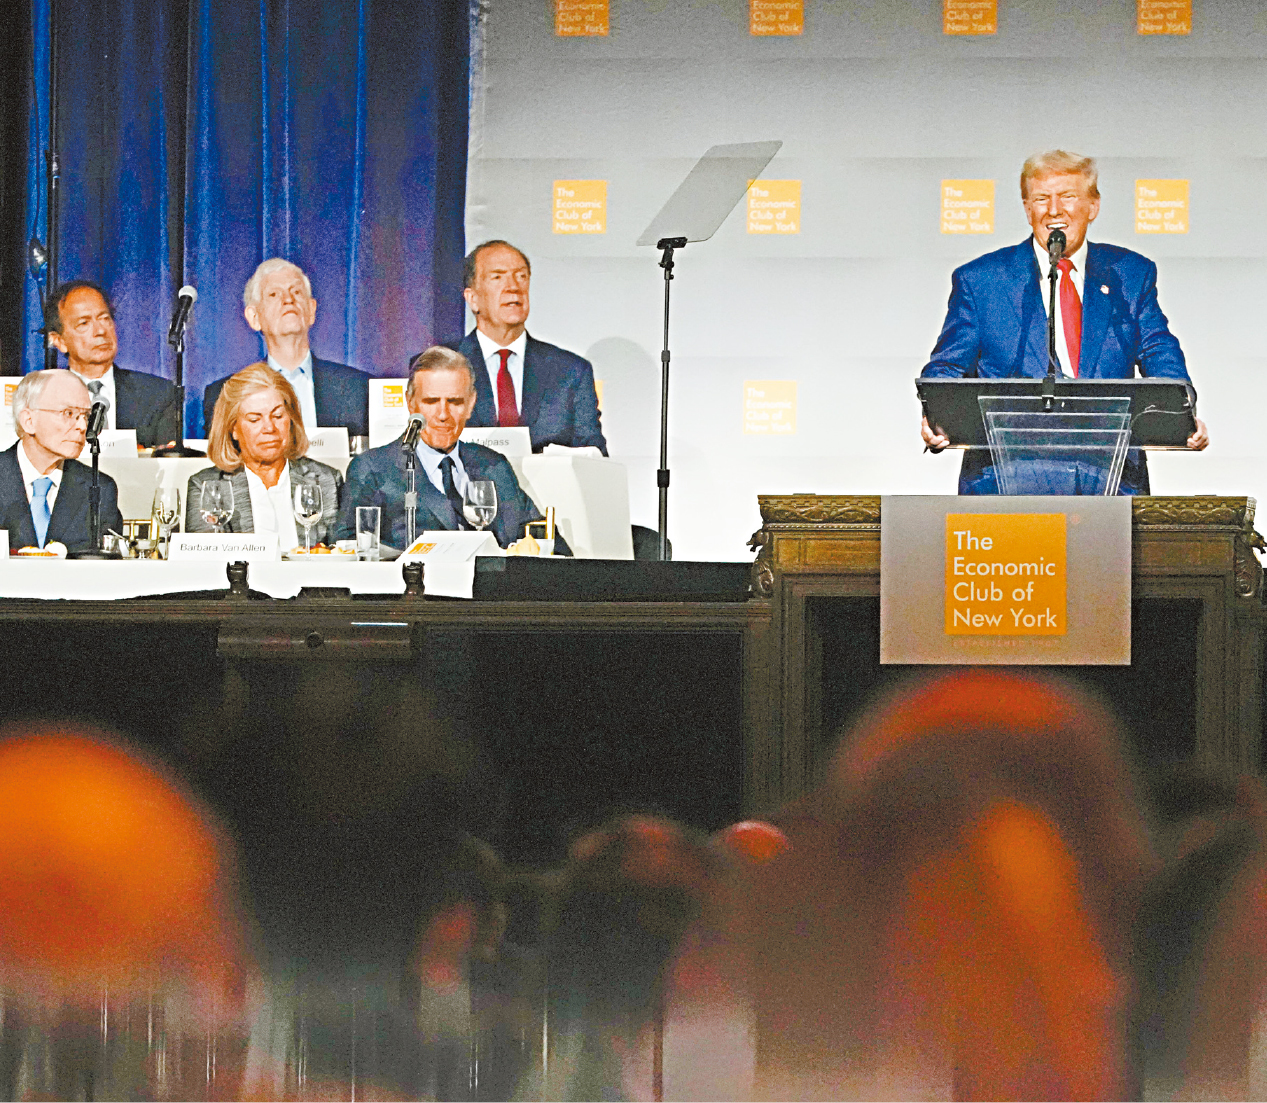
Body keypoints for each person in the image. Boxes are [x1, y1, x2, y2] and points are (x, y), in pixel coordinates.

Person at [920, 150, 1209, 495]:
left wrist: (1182, 411)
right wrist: (937, 416)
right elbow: (947, 368)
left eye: (1068, 196)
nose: (1054, 210)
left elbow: (1159, 351)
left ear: (1093, 206)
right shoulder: (982, 280)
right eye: (1042, 198)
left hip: (1109, 481)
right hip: (1006, 480)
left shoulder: (1130, 274)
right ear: (1027, 209)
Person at [337, 346, 569, 552]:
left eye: (454, 402)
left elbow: (546, 538)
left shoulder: (494, 466)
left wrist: (533, 549)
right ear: (410, 403)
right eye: (431, 401)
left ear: (471, 404)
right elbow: (346, 544)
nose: (443, 415)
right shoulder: (372, 469)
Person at [436, 240, 607, 454]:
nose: (513, 287)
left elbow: (593, 457)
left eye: (521, 276)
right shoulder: (438, 368)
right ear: (473, 299)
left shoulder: (571, 371)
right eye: (497, 277)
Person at [202, 259, 370, 437]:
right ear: (254, 317)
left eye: (297, 292)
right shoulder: (225, 395)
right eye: (274, 294)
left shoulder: (360, 388)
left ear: (311, 310)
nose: (289, 300)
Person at [186, 363, 342, 546]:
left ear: (291, 420)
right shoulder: (206, 486)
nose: (269, 428)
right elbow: (208, 558)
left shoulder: (327, 480)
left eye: (278, 416)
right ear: (233, 428)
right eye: (255, 419)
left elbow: (340, 554)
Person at [44, 280, 181, 448]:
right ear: (59, 341)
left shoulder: (157, 394)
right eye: (84, 323)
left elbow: (167, 458)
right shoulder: (45, 397)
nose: (100, 331)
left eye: (105, 319)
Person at [0, 369, 122, 551]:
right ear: (29, 421)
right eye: (68, 413)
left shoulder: (99, 488)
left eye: (86, 416)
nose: (82, 426)